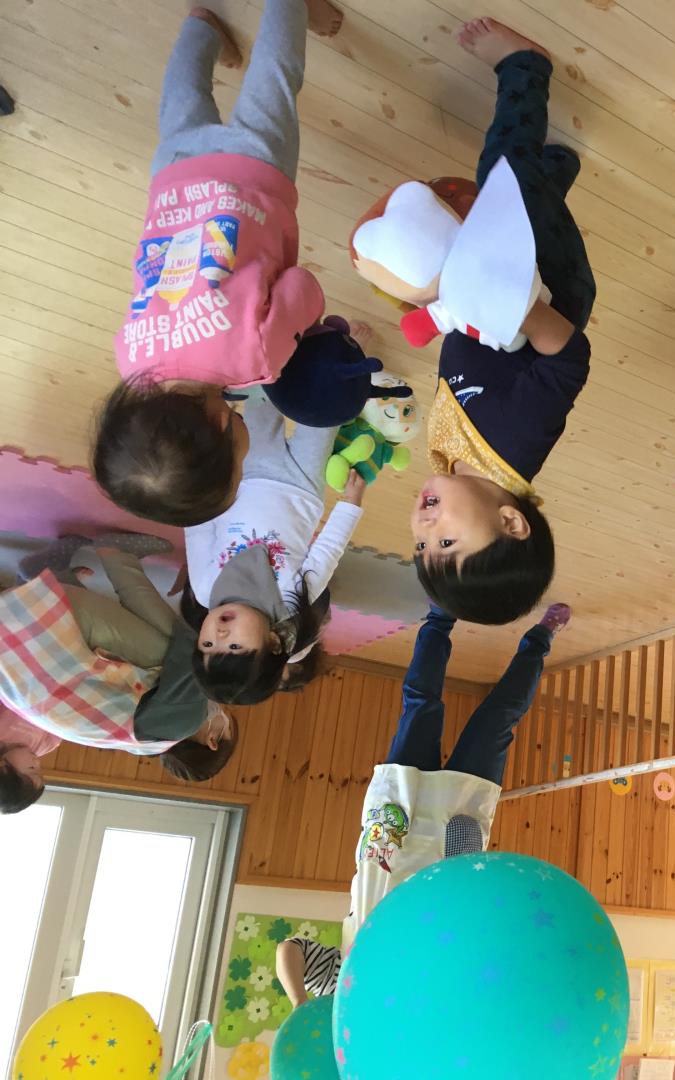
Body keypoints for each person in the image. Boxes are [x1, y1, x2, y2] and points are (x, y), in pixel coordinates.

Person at [94, 0, 342, 528]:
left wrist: (298, 331)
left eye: (238, 466)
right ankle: (200, 29)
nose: (247, 461)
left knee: (275, 80)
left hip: (255, 172)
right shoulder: (130, 362)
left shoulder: (255, 360)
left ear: (220, 425)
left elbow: (303, 286)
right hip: (174, 178)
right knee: (183, 105)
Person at [412, 18, 595, 624]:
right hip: (539, 279)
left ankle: (554, 169)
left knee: (522, 187)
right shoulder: (514, 443)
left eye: (421, 548)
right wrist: (522, 307)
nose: (425, 529)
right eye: (446, 542)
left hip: (492, 282)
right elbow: (569, 361)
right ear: (511, 522)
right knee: (503, 172)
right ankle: (524, 66)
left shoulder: (456, 462)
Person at [342, 600, 572, 949]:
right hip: (456, 831)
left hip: (396, 813)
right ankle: (541, 639)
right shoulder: (442, 958)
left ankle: (442, 613)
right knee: (498, 719)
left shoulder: (353, 970)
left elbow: (292, 950)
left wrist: (300, 989)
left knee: (420, 704)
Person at [0, 540, 237, 814]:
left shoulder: (180, 725)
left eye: (227, 723)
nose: (221, 712)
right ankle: (87, 565)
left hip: (42, 624)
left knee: (171, 649)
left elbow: (191, 650)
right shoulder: (139, 744)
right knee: (160, 657)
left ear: (213, 739)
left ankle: (115, 554)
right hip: (21, 631)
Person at [182, 393, 365, 706]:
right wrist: (351, 503)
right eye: (235, 647)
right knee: (325, 408)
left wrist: (199, 477)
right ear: (273, 643)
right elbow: (327, 551)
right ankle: (339, 366)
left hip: (247, 472)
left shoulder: (204, 589)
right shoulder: (290, 600)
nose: (219, 635)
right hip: (302, 486)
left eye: (207, 644)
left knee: (262, 394)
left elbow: (199, 525)